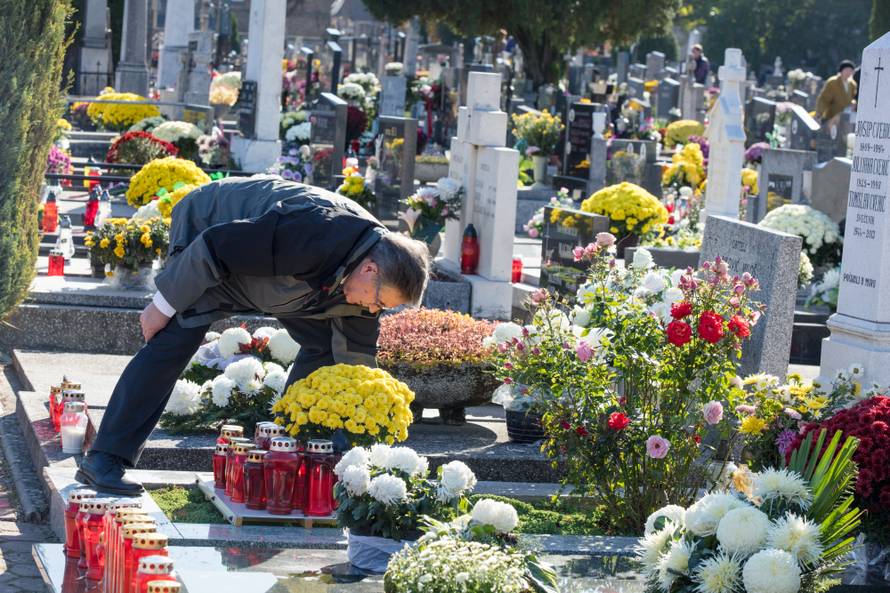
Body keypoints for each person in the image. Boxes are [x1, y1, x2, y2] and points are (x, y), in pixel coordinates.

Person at [75, 176, 430, 495]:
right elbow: (215, 247)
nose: (373, 312)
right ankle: (105, 458)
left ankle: (289, 454)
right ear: (370, 269)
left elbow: (355, 373)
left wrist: (350, 454)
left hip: (277, 278)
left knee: (326, 350)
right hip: (215, 238)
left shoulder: (364, 283)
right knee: (173, 339)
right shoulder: (316, 231)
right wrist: (163, 305)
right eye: (379, 301)